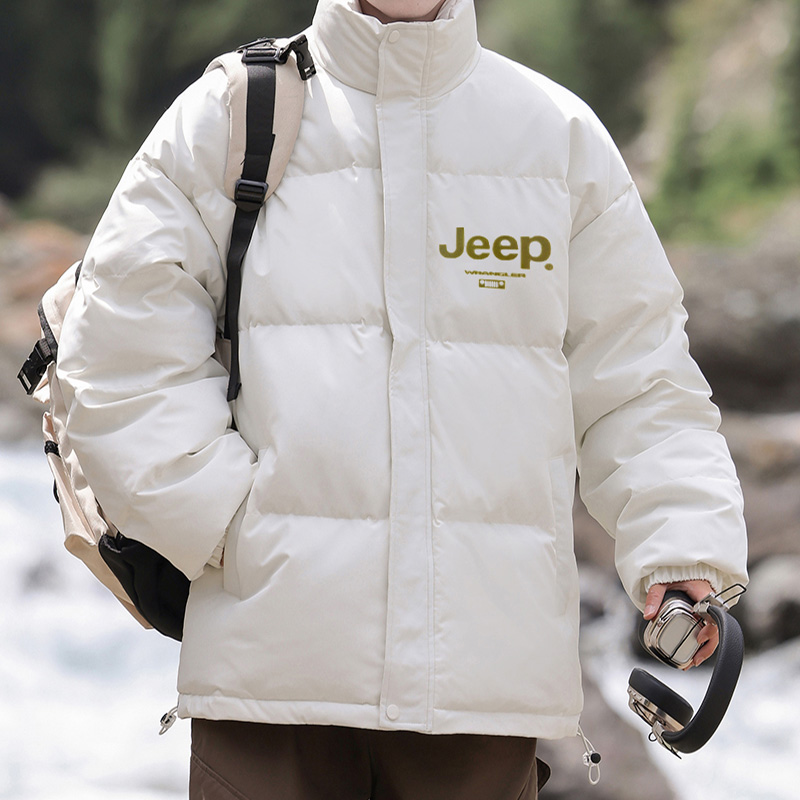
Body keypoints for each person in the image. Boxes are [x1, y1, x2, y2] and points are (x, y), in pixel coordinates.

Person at [56, 0, 749, 797]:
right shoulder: (222, 120)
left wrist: (681, 548)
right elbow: (118, 353)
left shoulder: (557, 139)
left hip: (482, 693)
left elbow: (642, 383)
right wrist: (237, 531)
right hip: (271, 687)